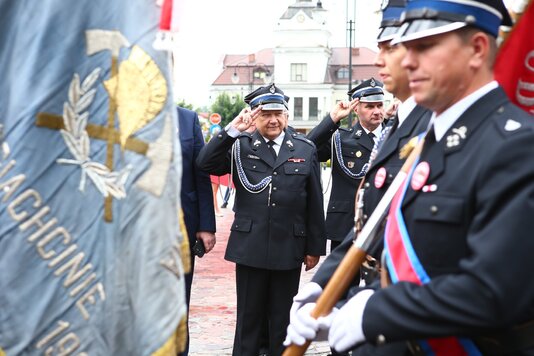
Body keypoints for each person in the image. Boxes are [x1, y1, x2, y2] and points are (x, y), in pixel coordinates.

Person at [286, 0, 534, 354]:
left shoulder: (517, 145)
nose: (407, 60)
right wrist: (327, 292)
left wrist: (375, 312)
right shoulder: (429, 140)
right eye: (404, 47)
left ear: (477, 49)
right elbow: (380, 235)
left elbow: (494, 292)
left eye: (425, 46)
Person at [285, 1, 433, 354]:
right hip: (366, 274)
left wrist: (374, 309)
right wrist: (323, 284)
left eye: (391, 48)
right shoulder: (364, 133)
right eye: (381, 48)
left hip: (407, 315)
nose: (382, 60)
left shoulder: (422, 125)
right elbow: (306, 154)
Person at [196, 83, 326, 356]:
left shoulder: (304, 148)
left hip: (288, 245)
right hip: (250, 246)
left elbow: (314, 200)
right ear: (255, 116)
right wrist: (232, 130)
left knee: (282, 319)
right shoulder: (240, 145)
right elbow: (204, 163)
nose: (273, 119)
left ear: (287, 116)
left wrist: (314, 247)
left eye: (278, 113)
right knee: (249, 319)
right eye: (266, 113)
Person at [307, 78, 385, 252]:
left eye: (380, 105)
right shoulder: (340, 138)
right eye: (370, 106)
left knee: (380, 279)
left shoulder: (394, 136)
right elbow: (306, 150)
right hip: (345, 224)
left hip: (384, 223)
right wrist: (332, 120)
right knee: (345, 280)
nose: (377, 111)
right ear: (356, 109)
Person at [177, 106, 217, 356]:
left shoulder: (187, 118)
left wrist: (206, 225)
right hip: (131, 227)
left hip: (180, 228)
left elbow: (200, 172)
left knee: (178, 302)